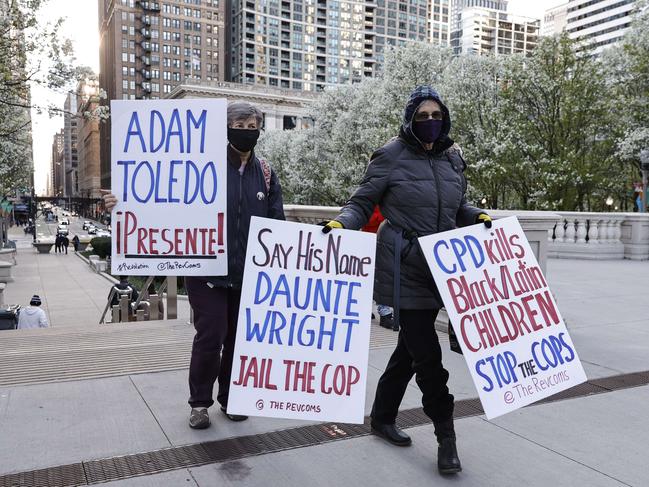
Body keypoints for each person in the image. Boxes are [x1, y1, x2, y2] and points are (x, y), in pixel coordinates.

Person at [321, 86, 492, 475]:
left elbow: (456, 206)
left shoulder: (452, 158)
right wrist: (340, 224)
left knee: (408, 352)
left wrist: (476, 215)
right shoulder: (389, 155)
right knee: (428, 358)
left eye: (436, 115)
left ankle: (381, 417)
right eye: (422, 116)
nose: (430, 122)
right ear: (409, 120)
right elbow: (362, 203)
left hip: (442, 270)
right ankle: (446, 438)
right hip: (405, 268)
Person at [103, 101, 285, 430]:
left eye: (251, 126)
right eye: (239, 126)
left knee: (239, 340)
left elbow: (278, 223)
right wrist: (121, 202)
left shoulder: (268, 173)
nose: (246, 132)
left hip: (248, 274)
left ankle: (231, 398)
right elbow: (160, 198)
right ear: (225, 129)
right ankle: (200, 403)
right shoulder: (202, 165)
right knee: (211, 335)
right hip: (206, 271)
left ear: (260, 130)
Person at [362, 206, 396, 331]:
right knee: (373, 278)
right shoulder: (373, 197)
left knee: (383, 277)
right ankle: (383, 312)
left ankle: (382, 312)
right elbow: (366, 219)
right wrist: (385, 216)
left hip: (387, 243)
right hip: (370, 242)